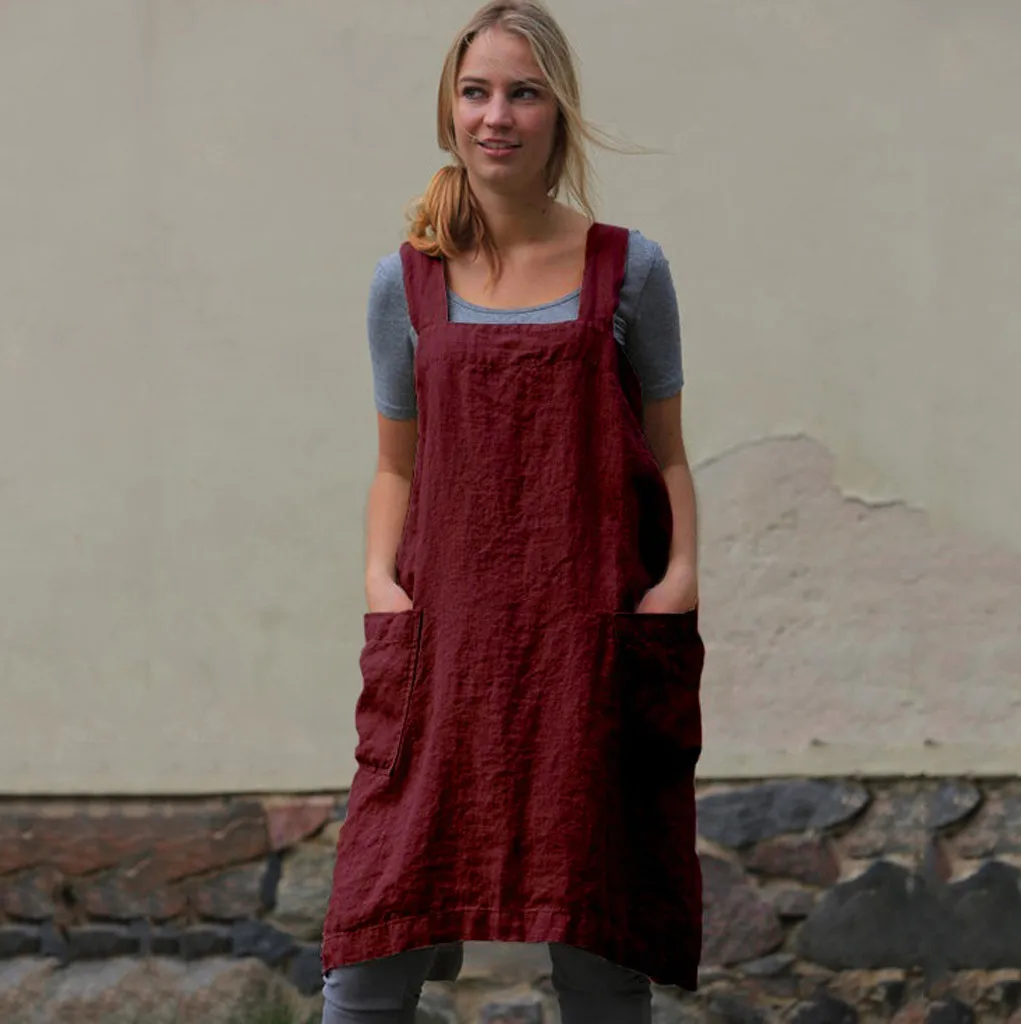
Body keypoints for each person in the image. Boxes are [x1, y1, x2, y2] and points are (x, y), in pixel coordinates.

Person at [320, 2, 705, 1021]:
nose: (497, 116)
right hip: (443, 646)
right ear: (449, 110)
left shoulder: (631, 269)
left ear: (558, 112)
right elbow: (395, 467)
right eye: (477, 92)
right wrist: (380, 585)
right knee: (375, 932)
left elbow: (666, 451)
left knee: (598, 933)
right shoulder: (404, 281)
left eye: (523, 93)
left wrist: (677, 580)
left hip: (587, 640)